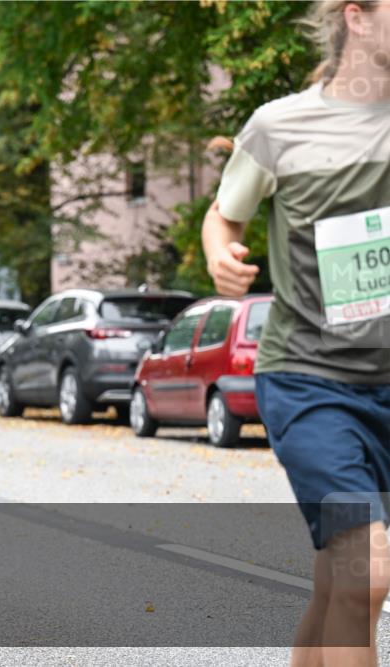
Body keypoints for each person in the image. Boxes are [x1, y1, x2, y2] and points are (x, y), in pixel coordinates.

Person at [202, 1, 390, 664]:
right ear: (357, 18)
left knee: (342, 580)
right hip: (310, 383)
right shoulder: (278, 126)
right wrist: (220, 255)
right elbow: (224, 215)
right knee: (366, 569)